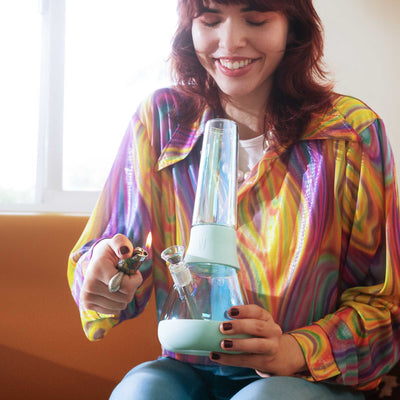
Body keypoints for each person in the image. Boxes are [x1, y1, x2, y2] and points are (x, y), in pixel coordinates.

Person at [67, 1, 400, 399]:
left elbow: (386, 306)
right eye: (209, 20)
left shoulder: (349, 135)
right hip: (184, 371)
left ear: (292, 27)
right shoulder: (160, 119)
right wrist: (106, 278)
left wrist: (292, 349)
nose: (230, 42)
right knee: (143, 392)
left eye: (256, 20)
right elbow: (110, 258)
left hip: (305, 379)